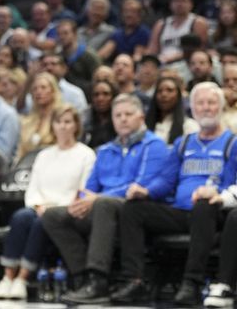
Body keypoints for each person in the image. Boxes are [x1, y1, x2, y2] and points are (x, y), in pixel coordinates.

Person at [111, 82, 237, 306]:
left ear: (220, 107)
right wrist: (146, 191)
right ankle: (135, 280)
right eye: (200, 103)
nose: (206, 107)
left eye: (211, 102)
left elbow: (231, 183)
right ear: (193, 109)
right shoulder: (183, 143)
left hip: (214, 213)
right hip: (181, 212)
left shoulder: (232, 143)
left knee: (204, 204)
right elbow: (167, 180)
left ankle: (192, 282)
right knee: (133, 209)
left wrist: (215, 192)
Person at [42, 94, 168, 304]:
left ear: (141, 117)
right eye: (118, 115)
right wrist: (81, 202)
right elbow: (89, 188)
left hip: (132, 209)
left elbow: (140, 186)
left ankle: (98, 279)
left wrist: (97, 197)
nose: (123, 119)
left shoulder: (154, 145)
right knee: (53, 215)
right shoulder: (106, 150)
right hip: (101, 208)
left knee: (104, 204)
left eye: (128, 114)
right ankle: (82, 276)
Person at [0, 105, 95, 300]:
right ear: (53, 126)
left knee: (44, 221)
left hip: (66, 210)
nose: (63, 127)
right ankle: (7, 277)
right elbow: (33, 187)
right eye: (58, 122)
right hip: (39, 206)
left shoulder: (86, 154)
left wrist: (53, 208)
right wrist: (38, 205)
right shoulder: (43, 155)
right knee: (21, 217)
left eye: (67, 122)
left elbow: (83, 189)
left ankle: (22, 278)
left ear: (76, 126)